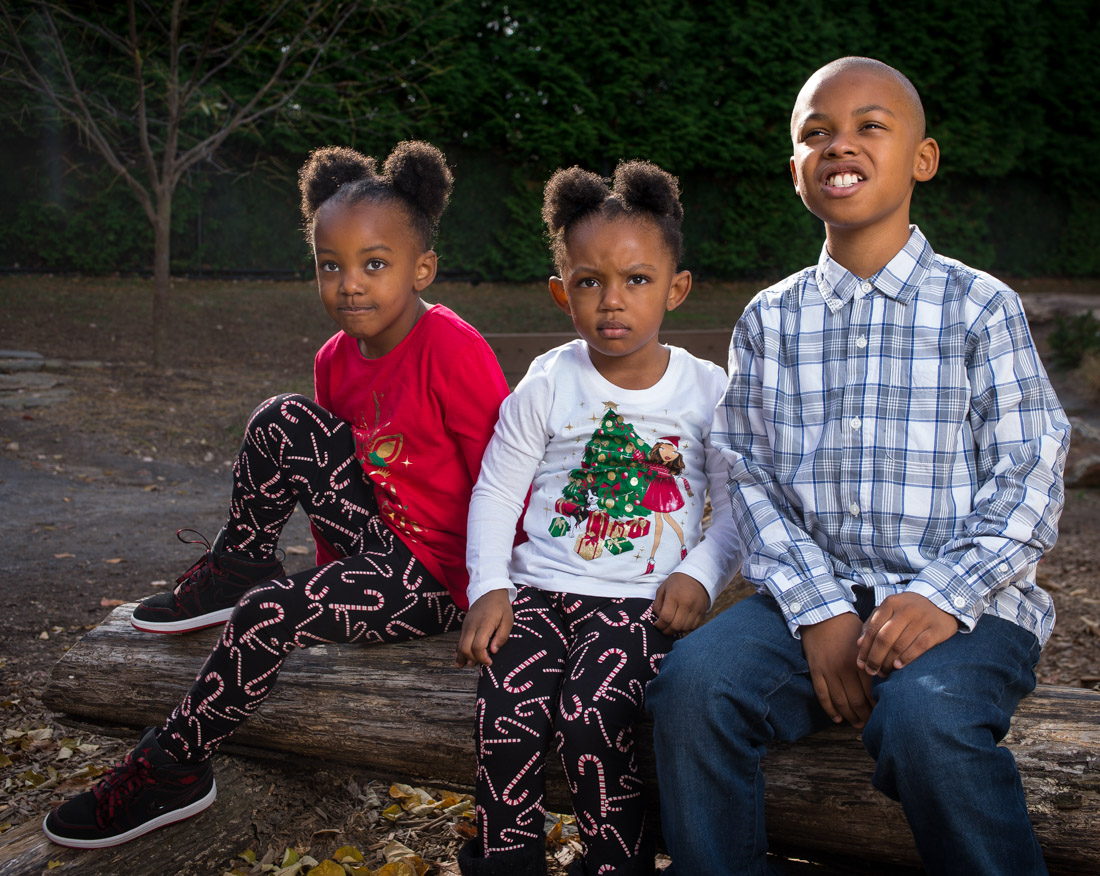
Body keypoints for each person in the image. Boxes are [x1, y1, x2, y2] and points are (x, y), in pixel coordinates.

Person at [647, 56, 1071, 876]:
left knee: (927, 718)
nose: (841, 144)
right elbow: (748, 474)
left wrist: (942, 595)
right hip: (814, 597)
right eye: (817, 133)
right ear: (795, 169)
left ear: (923, 158)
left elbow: (1030, 474)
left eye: (870, 126)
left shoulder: (980, 306)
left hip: (972, 606)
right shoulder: (771, 319)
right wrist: (819, 611)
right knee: (694, 686)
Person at [43, 141, 511, 848]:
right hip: (378, 546)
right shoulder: (335, 358)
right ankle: (240, 561)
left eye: (374, 264)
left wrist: (499, 592)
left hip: (440, 576)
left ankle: (174, 766)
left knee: (268, 613)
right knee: (279, 418)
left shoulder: (452, 346)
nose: (349, 285)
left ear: (422, 269)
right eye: (330, 265)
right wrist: (329, 585)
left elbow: (504, 476)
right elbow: (331, 487)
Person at [455, 160, 742, 876]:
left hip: (640, 606)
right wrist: (489, 587)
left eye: (637, 279)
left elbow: (739, 511)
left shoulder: (707, 391)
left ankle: (618, 862)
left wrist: (701, 575)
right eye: (589, 282)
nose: (612, 301)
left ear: (675, 288)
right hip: (539, 596)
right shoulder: (549, 381)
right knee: (505, 712)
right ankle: (506, 860)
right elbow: (497, 491)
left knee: (591, 715)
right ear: (562, 292)